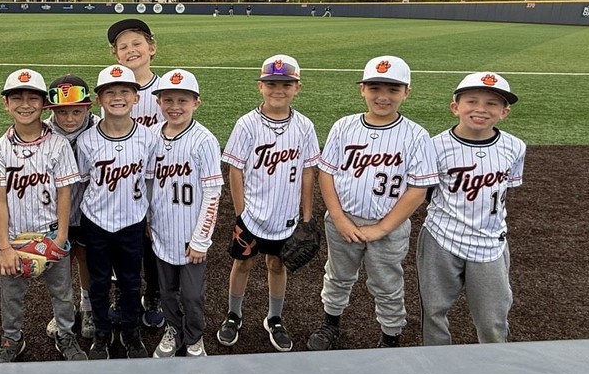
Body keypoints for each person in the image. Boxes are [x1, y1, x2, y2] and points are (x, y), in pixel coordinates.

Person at [306, 56, 439, 351]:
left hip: (389, 226)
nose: (383, 96)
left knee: (387, 283)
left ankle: (391, 336)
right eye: (375, 88)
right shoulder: (344, 126)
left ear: (406, 92)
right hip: (343, 221)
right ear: (362, 90)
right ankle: (330, 323)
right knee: (338, 275)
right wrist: (338, 218)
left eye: (393, 89)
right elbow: (326, 173)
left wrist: (382, 228)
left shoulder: (416, 135)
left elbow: (418, 189)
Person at [217, 55, 320, 352]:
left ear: (297, 88)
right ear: (260, 86)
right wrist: (240, 213)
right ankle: (234, 314)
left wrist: (307, 217)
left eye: (286, 84)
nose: (278, 90)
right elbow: (235, 169)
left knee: (277, 264)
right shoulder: (247, 124)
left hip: (286, 216)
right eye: (272, 84)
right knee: (243, 263)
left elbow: (308, 172)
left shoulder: (304, 126)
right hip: (252, 216)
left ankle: (274, 318)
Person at [417, 72, 525, 345]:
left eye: (492, 103)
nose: (481, 109)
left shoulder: (515, 147)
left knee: (493, 320)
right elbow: (427, 193)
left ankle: (493, 362)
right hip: (441, 238)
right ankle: (436, 360)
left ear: (504, 112)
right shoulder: (434, 146)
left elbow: (506, 190)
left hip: (490, 243)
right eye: (472, 101)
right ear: (455, 107)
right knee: (434, 311)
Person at [0, 69, 87, 362]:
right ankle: (12, 339)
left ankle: (65, 335)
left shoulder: (58, 144)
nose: (25, 105)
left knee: (63, 293)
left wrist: (61, 237)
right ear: (5, 103)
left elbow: (65, 194)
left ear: (44, 104)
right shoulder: (1, 147)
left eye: (32, 98)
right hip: (14, 239)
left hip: (50, 233)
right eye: (16, 98)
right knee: (12, 297)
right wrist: (3, 247)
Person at [77, 64, 160, 359]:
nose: (117, 98)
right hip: (96, 222)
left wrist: (149, 217)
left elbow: (149, 181)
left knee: (131, 281)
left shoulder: (148, 137)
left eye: (125, 91)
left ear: (136, 97)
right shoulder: (86, 139)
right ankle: (102, 334)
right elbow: (84, 182)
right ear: (99, 99)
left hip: (132, 221)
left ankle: (130, 332)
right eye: (109, 92)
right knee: (98, 282)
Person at [149, 70, 222, 358]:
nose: (175, 107)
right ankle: (172, 329)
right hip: (162, 231)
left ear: (196, 103)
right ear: (158, 102)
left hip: (192, 234)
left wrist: (202, 238)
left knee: (191, 295)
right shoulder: (152, 136)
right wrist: (148, 220)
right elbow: (148, 183)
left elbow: (213, 192)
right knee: (167, 292)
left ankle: (194, 336)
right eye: (168, 100)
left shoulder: (204, 140)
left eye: (183, 100)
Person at [107, 18, 164, 328]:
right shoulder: (112, 90)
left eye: (137, 43)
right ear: (116, 54)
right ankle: (122, 294)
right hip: (123, 181)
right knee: (121, 243)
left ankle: (153, 294)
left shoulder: (166, 89)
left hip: (159, 180)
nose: (131, 50)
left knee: (153, 240)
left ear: (151, 48)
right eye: (123, 46)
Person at [44, 73, 98, 339]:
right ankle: (62, 310)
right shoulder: (43, 131)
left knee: (86, 259)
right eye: (61, 112)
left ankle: (88, 306)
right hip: (55, 211)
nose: (69, 119)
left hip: (89, 211)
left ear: (88, 107)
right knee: (58, 263)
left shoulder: (100, 128)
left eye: (76, 111)